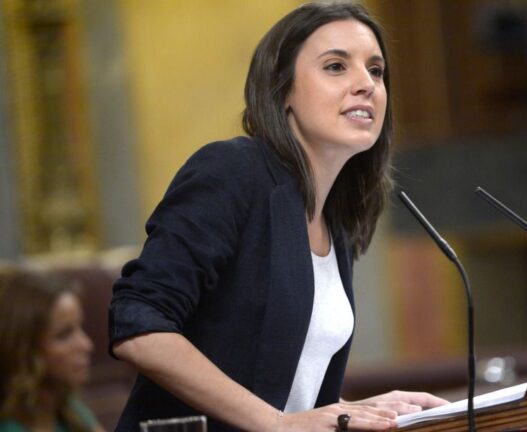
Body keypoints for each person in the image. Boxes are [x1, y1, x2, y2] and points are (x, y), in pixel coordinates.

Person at [108, 3, 448, 431]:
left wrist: (355, 408)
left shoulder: (332, 218)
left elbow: (282, 395)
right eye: (336, 66)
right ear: (282, 89)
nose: (366, 84)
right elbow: (138, 321)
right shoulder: (232, 171)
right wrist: (276, 423)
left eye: (376, 71)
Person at [0, 268, 103, 432]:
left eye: (80, 328)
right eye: (64, 335)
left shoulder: (67, 407)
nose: (86, 345)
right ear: (24, 349)